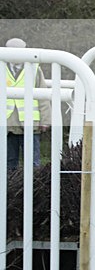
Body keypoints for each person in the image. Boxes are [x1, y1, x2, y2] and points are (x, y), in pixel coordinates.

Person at [5, 37, 51, 170]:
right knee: (8, 163)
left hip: (30, 124)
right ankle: (9, 190)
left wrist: (45, 120)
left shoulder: (34, 68)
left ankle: (33, 190)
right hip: (7, 125)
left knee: (32, 164)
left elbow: (43, 95)